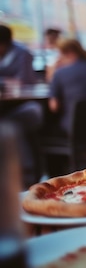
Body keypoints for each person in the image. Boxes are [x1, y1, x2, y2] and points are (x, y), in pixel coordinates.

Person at [0, 24, 43, 187]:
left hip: (28, 105)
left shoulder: (21, 53)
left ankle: (27, 173)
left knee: (11, 124)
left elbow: (25, 81)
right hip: (8, 106)